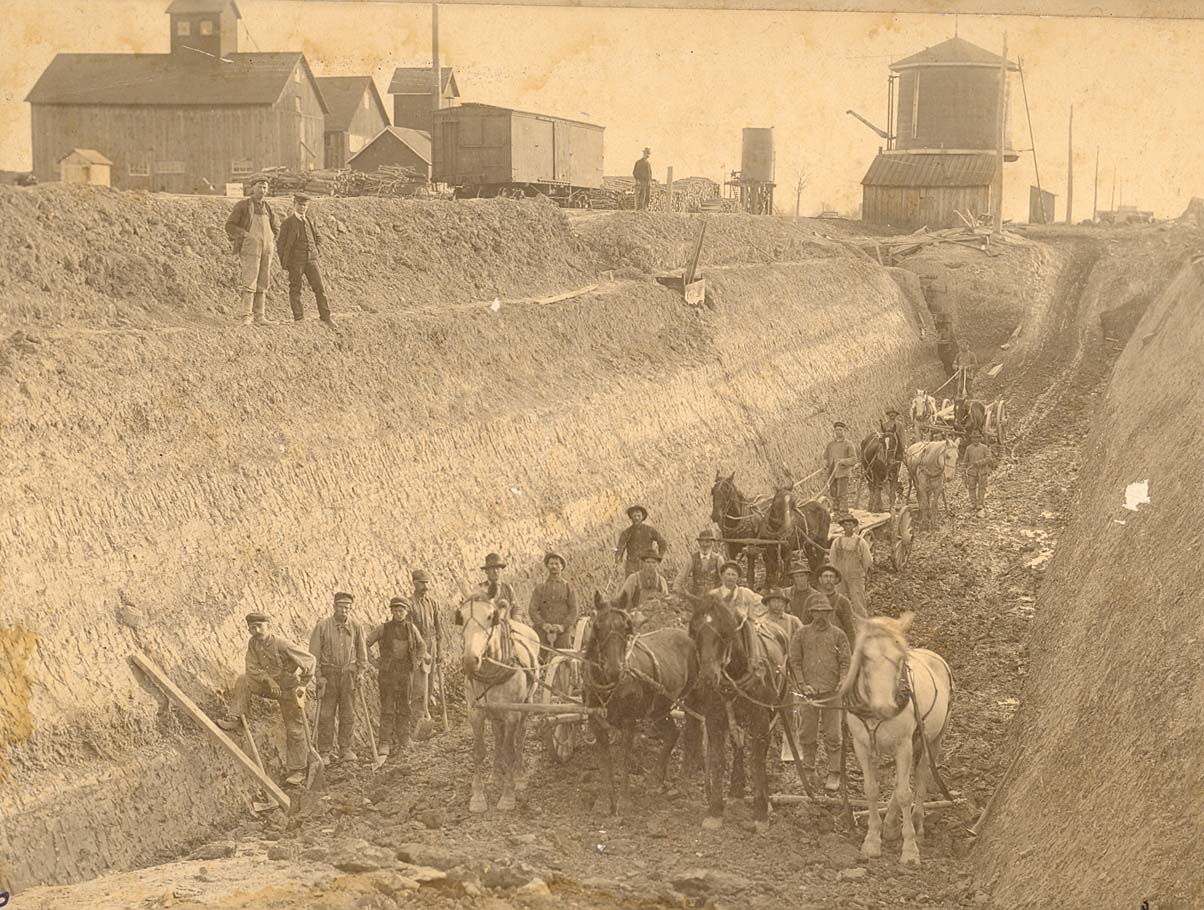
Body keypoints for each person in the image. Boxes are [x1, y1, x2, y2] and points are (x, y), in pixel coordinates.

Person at [217, 611, 315, 787]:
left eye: (259, 626)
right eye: (251, 628)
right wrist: (268, 680)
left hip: (287, 689)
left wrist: (303, 685)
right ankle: (236, 717)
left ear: (268, 626)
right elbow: (251, 667)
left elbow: (310, 661)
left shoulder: (282, 644)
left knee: (294, 728)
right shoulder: (253, 644)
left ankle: (298, 769)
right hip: (269, 687)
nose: (255, 631)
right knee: (243, 680)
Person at [789, 593, 851, 792]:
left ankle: (834, 772)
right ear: (811, 613)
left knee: (833, 734)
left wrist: (842, 680)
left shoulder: (839, 635)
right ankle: (808, 769)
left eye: (824, 611)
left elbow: (845, 661)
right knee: (807, 732)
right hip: (809, 692)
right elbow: (795, 661)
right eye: (817, 611)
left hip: (832, 693)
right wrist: (802, 683)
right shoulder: (801, 634)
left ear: (829, 613)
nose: (820, 615)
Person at [309, 591, 368, 763]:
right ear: (334, 607)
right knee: (326, 714)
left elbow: (361, 652)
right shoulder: (322, 626)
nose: (344, 611)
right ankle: (325, 751)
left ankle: (346, 749)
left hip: (348, 674)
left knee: (348, 713)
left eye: (347, 608)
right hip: (329, 675)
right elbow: (314, 655)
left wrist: (361, 672)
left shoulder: (356, 627)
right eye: (341, 607)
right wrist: (318, 676)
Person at [367, 596, 427, 757]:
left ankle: (404, 740)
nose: (398, 613)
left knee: (404, 707)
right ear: (391, 611)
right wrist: (374, 662)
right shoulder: (383, 628)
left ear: (406, 612)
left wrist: (417, 662)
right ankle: (384, 743)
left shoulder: (411, 628)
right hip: (387, 674)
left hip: (405, 673)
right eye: (395, 610)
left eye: (401, 611)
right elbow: (365, 643)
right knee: (387, 708)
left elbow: (422, 645)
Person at [224, 175, 279, 326]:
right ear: (252, 188)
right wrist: (245, 235)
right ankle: (246, 315)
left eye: (265, 187)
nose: (263, 190)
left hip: (267, 247)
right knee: (250, 279)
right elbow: (230, 226)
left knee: (263, 280)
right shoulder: (243, 206)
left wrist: (272, 237)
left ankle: (260, 316)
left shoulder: (267, 207)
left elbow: (275, 227)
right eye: (260, 187)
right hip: (250, 247)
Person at [275, 193, 334, 326]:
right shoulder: (288, 223)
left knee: (320, 288)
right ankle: (299, 318)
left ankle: (326, 317)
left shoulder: (309, 220)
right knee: (296, 288)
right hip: (296, 261)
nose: (302, 208)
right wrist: (286, 262)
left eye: (305, 205)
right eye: (300, 205)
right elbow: (281, 245)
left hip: (312, 260)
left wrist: (315, 250)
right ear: (294, 205)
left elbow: (317, 237)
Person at [409, 568, 443, 722]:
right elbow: (409, 629)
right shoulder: (409, 604)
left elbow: (438, 627)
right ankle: (417, 717)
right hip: (418, 646)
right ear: (414, 583)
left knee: (430, 681)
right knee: (419, 683)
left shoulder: (432, 603)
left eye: (427, 583)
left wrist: (439, 650)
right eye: (422, 583)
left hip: (432, 644)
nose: (425, 587)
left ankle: (426, 712)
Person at [528, 551, 579, 651]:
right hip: (543, 632)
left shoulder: (569, 587)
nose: (554, 566)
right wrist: (543, 625)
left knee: (564, 660)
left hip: (562, 634)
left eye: (557, 564)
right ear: (547, 566)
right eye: (551, 564)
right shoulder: (540, 587)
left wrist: (563, 626)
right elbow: (532, 610)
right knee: (540, 660)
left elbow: (574, 610)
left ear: (562, 566)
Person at [829, 514, 873, 617]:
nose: (848, 527)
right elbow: (832, 559)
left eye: (850, 524)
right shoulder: (837, 541)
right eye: (845, 524)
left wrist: (865, 574)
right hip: (840, 576)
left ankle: (862, 623)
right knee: (838, 599)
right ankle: (840, 622)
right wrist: (834, 575)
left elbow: (867, 560)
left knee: (858, 601)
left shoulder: (860, 542)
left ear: (854, 526)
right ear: (842, 527)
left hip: (856, 576)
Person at [812, 563, 864, 645]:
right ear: (820, 579)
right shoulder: (812, 600)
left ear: (836, 580)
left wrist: (852, 649)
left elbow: (849, 628)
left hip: (837, 644)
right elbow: (805, 626)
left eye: (831, 576)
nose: (828, 580)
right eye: (825, 576)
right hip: (816, 644)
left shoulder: (843, 602)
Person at [615, 505, 669, 579]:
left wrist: (658, 558)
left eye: (639, 516)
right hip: (632, 566)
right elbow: (620, 548)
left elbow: (663, 543)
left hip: (646, 565)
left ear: (643, 517)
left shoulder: (650, 530)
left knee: (648, 586)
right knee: (631, 587)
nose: (636, 518)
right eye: (634, 516)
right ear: (631, 517)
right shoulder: (626, 532)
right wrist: (618, 563)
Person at [823, 421, 859, 515]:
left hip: (843, 473)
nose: (838, 432)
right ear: (834, 431)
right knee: (833, 494)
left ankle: (843, 513)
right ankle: (836, 512)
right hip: (832, 474)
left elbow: (854, 459)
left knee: (842, 494)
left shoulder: (848, 444)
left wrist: (843, 461)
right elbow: (825, 456)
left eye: (840, 430)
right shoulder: (830, 445)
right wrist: (825, 463)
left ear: (844, 431)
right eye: (836, 430)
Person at [675, 527, 724, 596]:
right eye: (702, 541)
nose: (704, 545)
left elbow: (724, 578)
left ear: (712, 543)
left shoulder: (718, 559)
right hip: (696, 596)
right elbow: (682, 575)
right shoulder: (693, 559)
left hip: (714, 596)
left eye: (707, 542)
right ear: (699, 542)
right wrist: (677, 589)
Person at [478, 553, 523, 622]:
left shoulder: (507, 588)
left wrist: (515, 619)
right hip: (486, 627)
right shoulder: (480, 589)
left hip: (506, 626)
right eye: (492, 568)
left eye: (497, 568)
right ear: (486, 571)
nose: (495, 571)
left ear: (501, 570)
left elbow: (516, 608)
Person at [963, 430, 998, 517]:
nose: (975, 440)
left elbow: (989, 459)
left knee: (982, 488)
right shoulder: (968, 448)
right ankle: (973, 503)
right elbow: (965, 461)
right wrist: (962, 471)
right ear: (971, 439)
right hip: (972, 472)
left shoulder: (984, 448)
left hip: (982, 472)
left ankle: (980, 504)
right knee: (971, 488)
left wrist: (979, 462)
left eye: (977, 438)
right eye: (973, 438)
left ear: (980, 439)